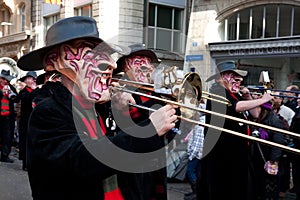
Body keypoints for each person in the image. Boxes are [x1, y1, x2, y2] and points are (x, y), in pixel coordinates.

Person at [17, 16, 177, 200]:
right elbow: (81, 160)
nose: (112, 64)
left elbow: (126, 158)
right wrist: (148, 129)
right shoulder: (47, 112)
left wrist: (120, 113)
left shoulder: (97, 107)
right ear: (53, 62)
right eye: (88, 54)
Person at [197, 60, 274, 200]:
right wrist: (263, 99)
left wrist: (247, 96)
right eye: (233, 76)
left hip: (239, 152)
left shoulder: (234, 93)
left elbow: (255, 114)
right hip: (222, 154)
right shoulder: (216, 90)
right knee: (224, 190)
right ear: (223, 77)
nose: (238, 81)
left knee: (240, 190)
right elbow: (236, 107)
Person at [112, 44, 173, 200]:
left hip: (156, 160)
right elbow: (133, 122)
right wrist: (168, 103)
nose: (146, 66)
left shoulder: (153, 91)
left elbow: (169, 129)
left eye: (148, 61)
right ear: (126, 66)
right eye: (139, 61)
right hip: (134, 162)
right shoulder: (120, 91)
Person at [251, 102, 286, 200]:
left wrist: (273, 160)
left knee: (269, 190)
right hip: (259, 159)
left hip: (269, 160)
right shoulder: (260, 120)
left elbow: (278, 143)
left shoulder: (275, 121)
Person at [184, 100, 206, 200]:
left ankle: (197, 192)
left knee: (190, 171)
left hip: (197, 154)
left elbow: (198, 141)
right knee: (197, 172)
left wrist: (191, 154)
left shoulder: (201, 122)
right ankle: (196, 192)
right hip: (199, 153)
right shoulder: (200, 121)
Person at [18, 71, 40, 170]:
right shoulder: (23, 92)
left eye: (32, 78)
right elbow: (27, 98)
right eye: (29, 78)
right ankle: (25, 163)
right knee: (25, 141)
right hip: (25, 120)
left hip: (36, 120)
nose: (31, 80)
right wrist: (35, 90)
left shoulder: (38, 91)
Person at [0, 69, 18, 163]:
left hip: (7, 116)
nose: (5, 81)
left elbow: (16, 98)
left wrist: (11, 93)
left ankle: (4, 155)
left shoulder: (10, 87)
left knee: (7, 137)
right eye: (3, 79)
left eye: (7, 80)